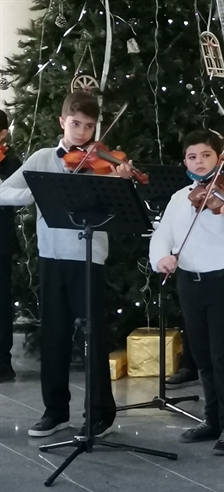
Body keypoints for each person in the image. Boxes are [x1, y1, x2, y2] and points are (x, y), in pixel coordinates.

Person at [0, 90, 131, 436]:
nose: (82, 132)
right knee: (54, 335)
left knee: (94, 336)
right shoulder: (43, 158)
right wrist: (34, 193)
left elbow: (120, 208)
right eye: (76, 124)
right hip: (51, 257)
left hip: (89, 257)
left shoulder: (103, 162)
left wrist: (120, 181)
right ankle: (55, 412)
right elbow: (3, 192)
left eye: (89, 126)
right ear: (62, 121)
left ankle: (100, 415)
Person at [149, 130, 224, 456]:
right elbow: (162, 235)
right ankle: (212, 419)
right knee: (204, 358)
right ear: (185, 162)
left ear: (219, 159)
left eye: (206, 155)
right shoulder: (179, 198)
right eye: (192, 157)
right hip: (190, 283)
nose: (199, 162)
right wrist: (161, 258)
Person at [0, 110, 22, 383]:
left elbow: (13, 196)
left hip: (0, 241)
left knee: (1, 303)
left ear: (3, 134)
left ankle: (2, 362)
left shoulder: (11, 161)